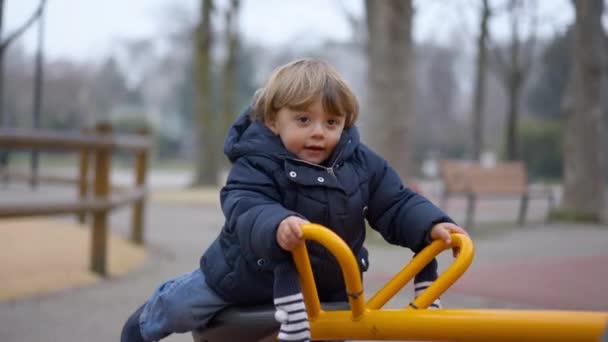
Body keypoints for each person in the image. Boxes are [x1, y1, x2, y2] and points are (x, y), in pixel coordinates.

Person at [121, 58, 468, 342]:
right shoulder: (258, 160)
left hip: (327, 288)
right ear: (274, 121)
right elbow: (246, 204)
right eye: (304, 120)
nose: (319, 132)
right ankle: (143, 327)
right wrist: (277, 224)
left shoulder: (360, 164)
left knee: (334, 331)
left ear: (345, 123)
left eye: (331, 122)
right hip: (243, 275)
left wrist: (431, 224)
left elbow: (395, 202)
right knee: (183, 306)